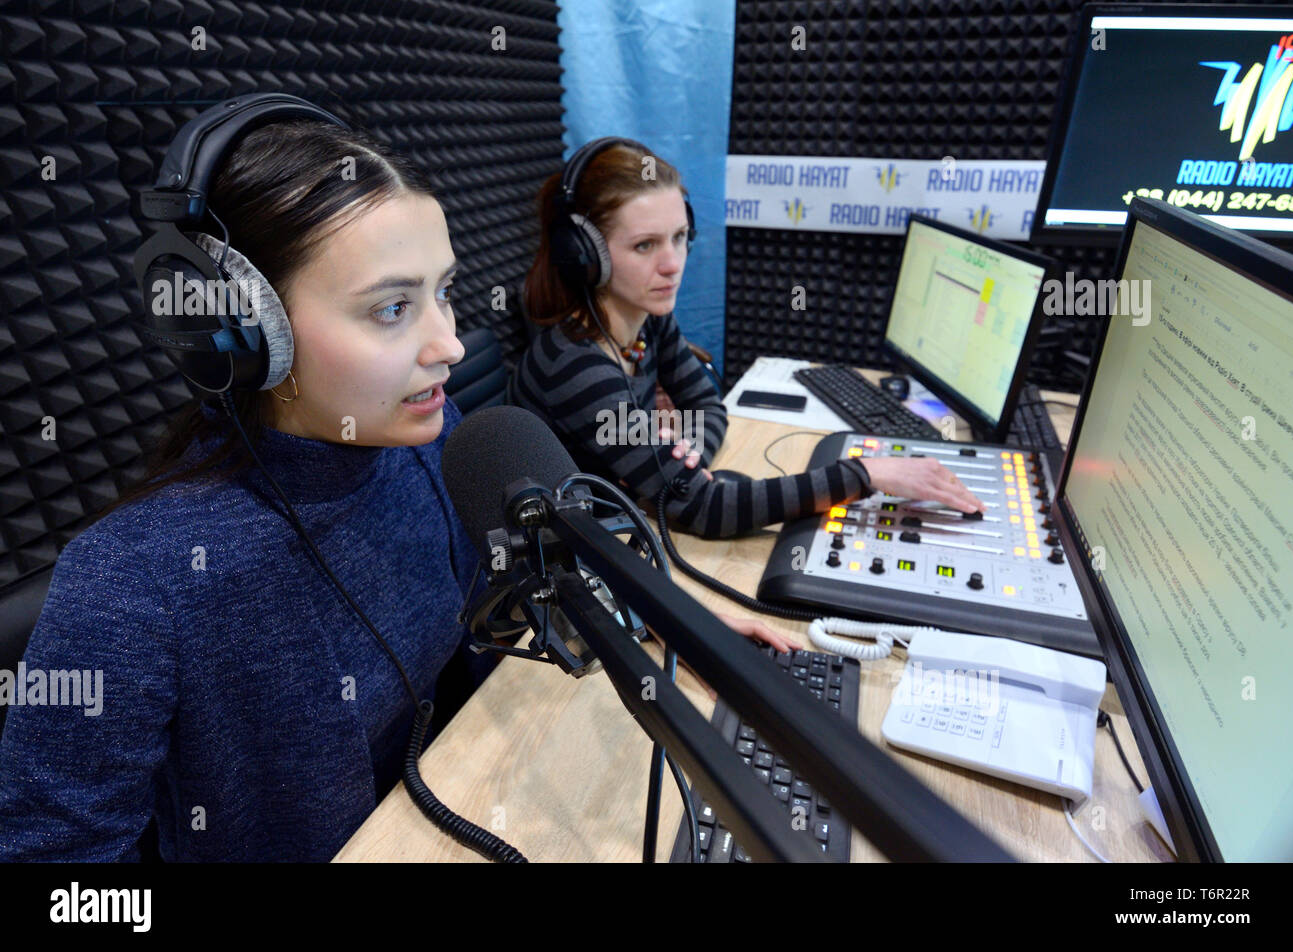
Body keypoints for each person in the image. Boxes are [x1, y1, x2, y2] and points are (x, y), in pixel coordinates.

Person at [0, 109, 796, 863]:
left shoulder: (436, 445)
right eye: (391, 308)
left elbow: (530, 584)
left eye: (443, 292)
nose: (448, 344)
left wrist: (660, 620)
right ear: (244, 336)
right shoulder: (132, 585)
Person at [510, 140, 986, 539]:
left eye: (679, 236)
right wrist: (866, 475)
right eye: (644, 245)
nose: (673, 263)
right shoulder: (576, 367)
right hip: (572, 563)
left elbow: (708, 405)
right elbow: (704, 510)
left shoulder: (646, 321)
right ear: (585, 256)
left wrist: (684, 455)